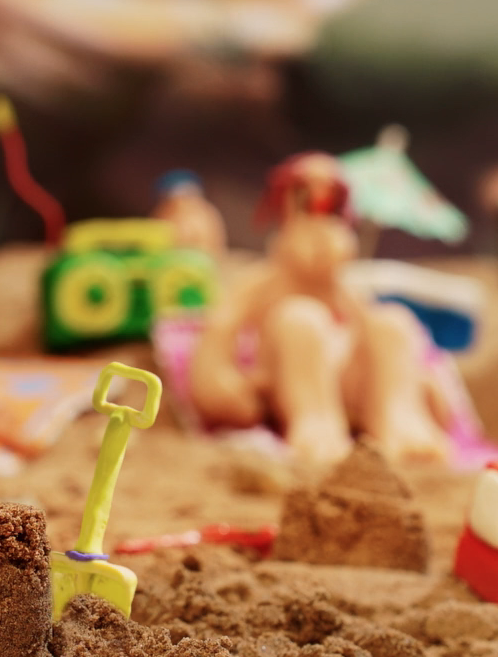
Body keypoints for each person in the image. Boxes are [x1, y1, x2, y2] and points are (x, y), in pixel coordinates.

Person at [189, 152, 448, 467]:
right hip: (288, 381)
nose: (320, 228)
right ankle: (316, 426)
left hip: (347, 388)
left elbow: (378, 340)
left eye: (331, 208)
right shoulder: (264, 283)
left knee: (391, 321)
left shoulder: (346, 290)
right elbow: (220, 329)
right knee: (301, 318)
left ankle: (401, 425)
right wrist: (226, 387)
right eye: (306, 203)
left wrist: (423, 385)